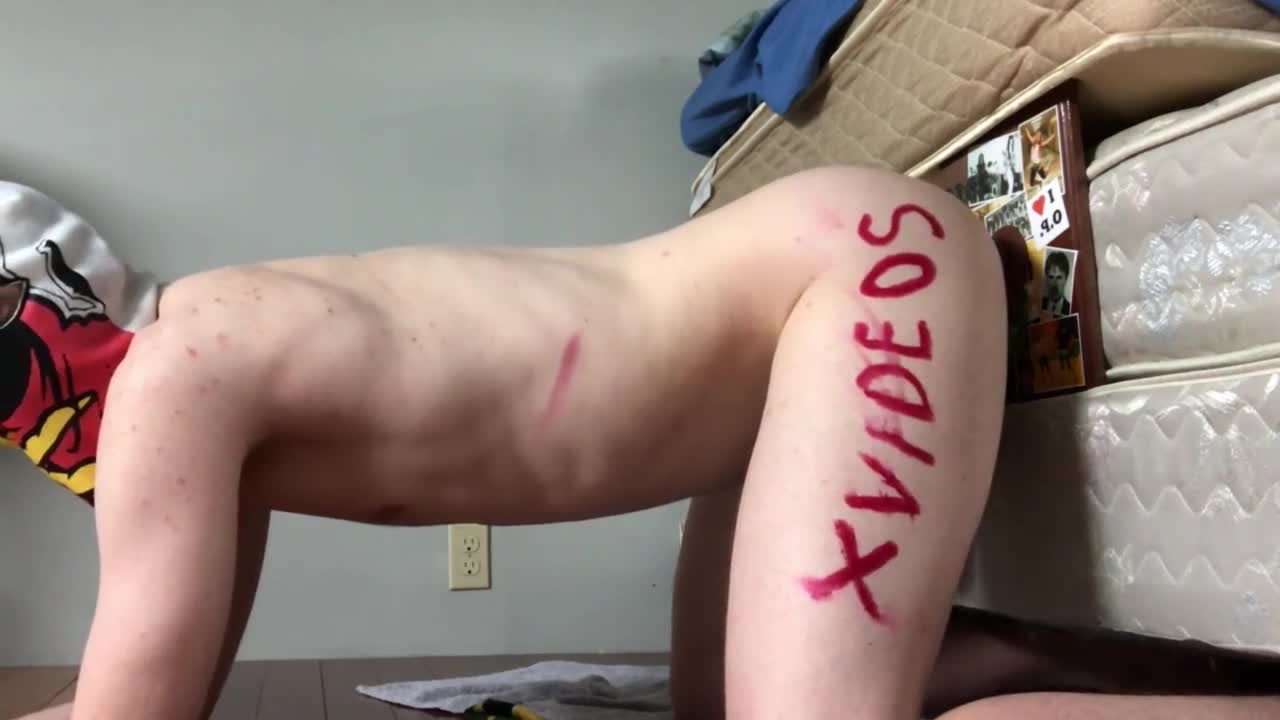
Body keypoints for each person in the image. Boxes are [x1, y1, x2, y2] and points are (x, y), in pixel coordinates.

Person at [6, 166, 1275, 720]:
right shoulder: (199, 349)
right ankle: (1170, 669)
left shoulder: (173, 382)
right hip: (802, 325)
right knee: (720, 706)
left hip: (850, 278)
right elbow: (152, 684)